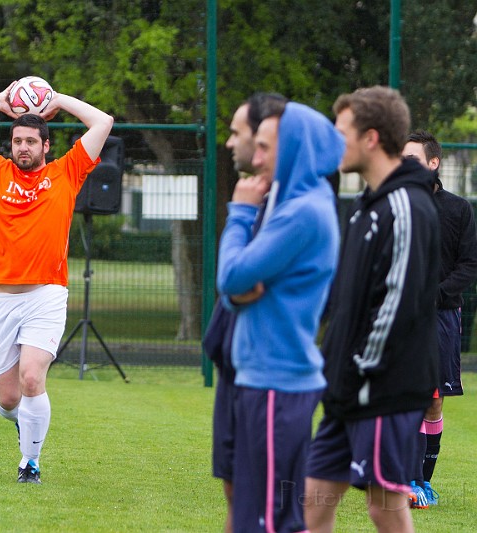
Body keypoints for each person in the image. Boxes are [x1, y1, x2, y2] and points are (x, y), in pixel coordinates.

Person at [0, 82, 113, 484]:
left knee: (33, 377)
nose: (22, 147)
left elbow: (102, 121)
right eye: (17, 140)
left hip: (46, 294)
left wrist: (58, 102)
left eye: (31, 141)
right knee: (7, 398)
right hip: (1, 299)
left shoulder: (67, 173)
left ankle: (30, 464)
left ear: (46, 146)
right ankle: (23, 425)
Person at [304, 87, 440, 533]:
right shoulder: (365, 207)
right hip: (346, 390)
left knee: (385, 508)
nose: (331, 144)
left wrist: (359, 370)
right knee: (313, 500)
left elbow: (398, 304)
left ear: (371, 138)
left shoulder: (407, 207)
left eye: (340, 133)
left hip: (381, 390)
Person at [215, 100, 344, 533]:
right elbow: (236, 289)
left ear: (294, 148)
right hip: (265, 380)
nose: (255, 157)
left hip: (278, 382)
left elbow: (232, 274)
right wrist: (235, 295)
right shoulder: (294, 202)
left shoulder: (302, 210)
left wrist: (240, 211)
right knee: (259, 516)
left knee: (270, 520)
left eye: (266, 147)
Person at [203, 92, 288, 533]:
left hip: (268, 374)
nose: (230, 142)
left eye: (237, 132)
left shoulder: (287, 205)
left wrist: (239, 213)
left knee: (270, 506)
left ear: (265, 137)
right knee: (235, 492)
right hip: (235, 366)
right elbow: (235, 284)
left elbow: (237, 282)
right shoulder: (255, 196)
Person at [402, 130, 477, 507]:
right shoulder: (394, 206)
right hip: (401, 319)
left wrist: (434, 295)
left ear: (433, 164)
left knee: (433, 402)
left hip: (443, 317)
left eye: (413, 159)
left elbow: (469, 266)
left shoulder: (459, 209)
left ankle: (422, 482)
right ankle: (407, 480)